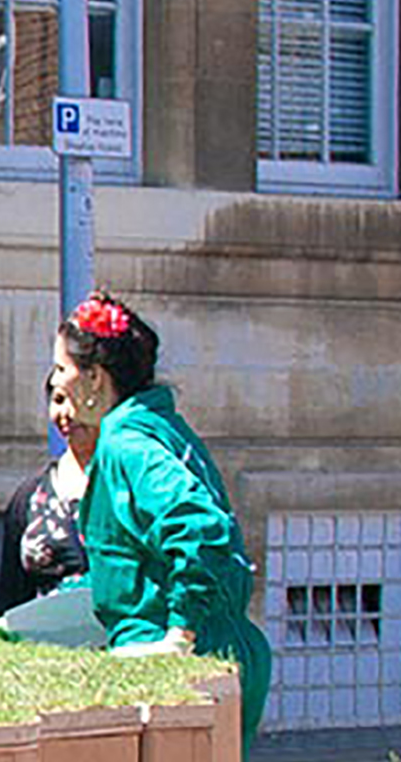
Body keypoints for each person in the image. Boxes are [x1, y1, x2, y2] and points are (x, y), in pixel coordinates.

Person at [53, 291, 274, 738]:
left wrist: (178, 636)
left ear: (94, 378)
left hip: (180, 664)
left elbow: (199, 527)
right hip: (226, 651)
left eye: (62, 369)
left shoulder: (126, 444)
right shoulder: (162, 427)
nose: (56, 383)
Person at [0, 364, 95, 623]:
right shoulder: (31, 497)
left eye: (79, 398)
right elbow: (9, 598)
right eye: (58, 400)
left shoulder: (129, 488)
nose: (67, 412)